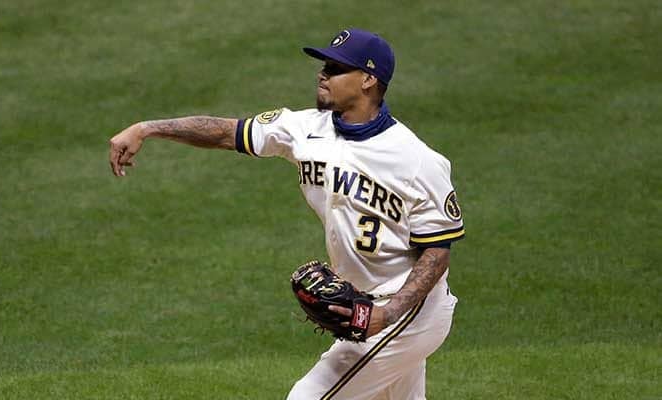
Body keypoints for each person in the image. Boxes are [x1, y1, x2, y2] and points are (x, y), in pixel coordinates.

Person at [108, 28, 465, 400]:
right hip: (366, 304)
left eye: (336, 68)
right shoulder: (303, 128)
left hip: (409, 312)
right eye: (324, 65)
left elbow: (437, 251)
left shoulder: (417, 161)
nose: (322, 74)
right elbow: (226, 132)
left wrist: (388, 314)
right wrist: (146, 129)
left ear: (368, 80)